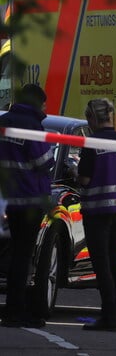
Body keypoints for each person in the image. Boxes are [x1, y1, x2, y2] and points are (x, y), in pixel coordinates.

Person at [0, 84, 54, 328]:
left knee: (14, 254)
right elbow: (44, 162)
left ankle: (12, 308)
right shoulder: (32, 126)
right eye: (43, 103)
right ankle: (17, 311)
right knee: (24, 255)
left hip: (9, 199)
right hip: (31, 200)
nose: (44, 108)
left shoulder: (5, 121)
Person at [78, 98, 116, 332]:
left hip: (96, 212)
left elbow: (84, 180)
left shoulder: (92, 143)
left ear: (92, 118)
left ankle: (108, 316)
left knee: (102, 266)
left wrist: (74, 172)